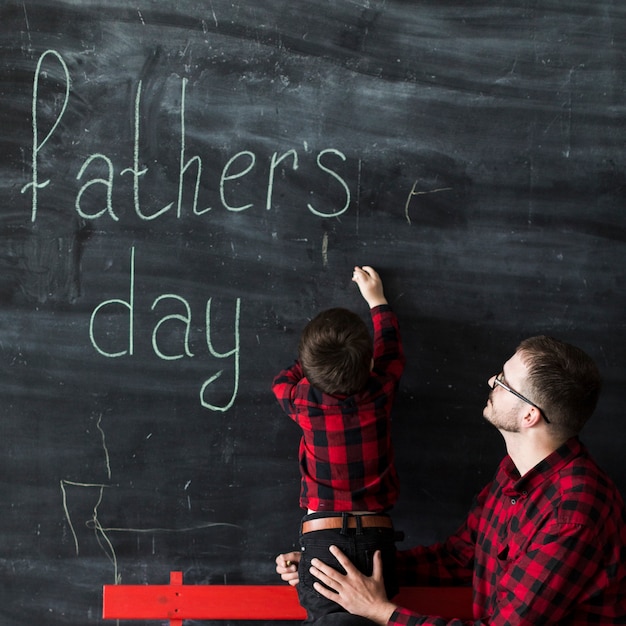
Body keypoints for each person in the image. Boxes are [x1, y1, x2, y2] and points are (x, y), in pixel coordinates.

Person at [276, 335, 626, 625]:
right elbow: (456, 559)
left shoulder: (574, 513)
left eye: (504, 381)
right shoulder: (514, 475)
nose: (491, 382)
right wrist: (338, 565)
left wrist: (381, 611)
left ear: (529, 415)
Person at [272, 265, 406, 624]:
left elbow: (281, 381)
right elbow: (392, 354)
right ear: (370, 362)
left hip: (323, 538)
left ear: (310, 373)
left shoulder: (303, 401)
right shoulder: (380, 391)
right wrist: (377, 302)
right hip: (379, 538)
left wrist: (311, 365)